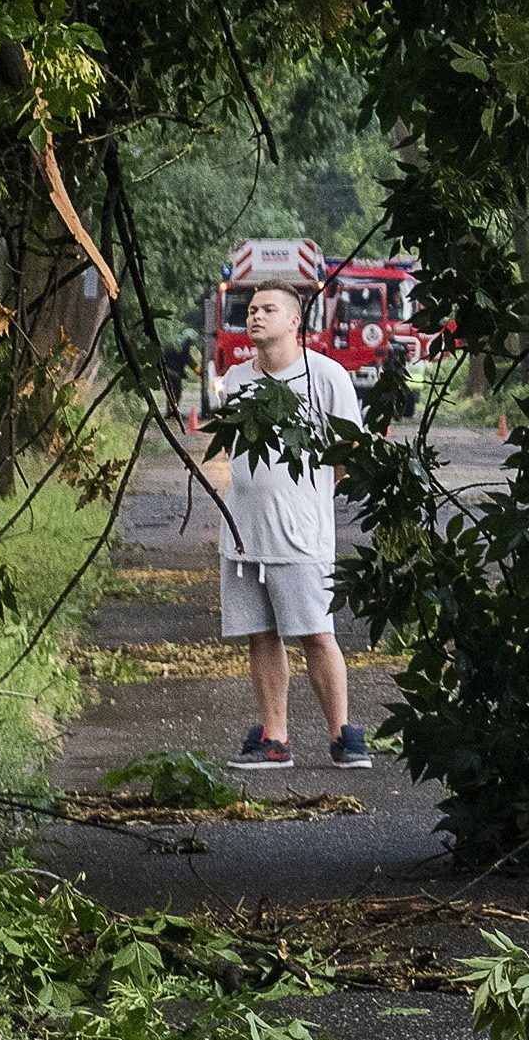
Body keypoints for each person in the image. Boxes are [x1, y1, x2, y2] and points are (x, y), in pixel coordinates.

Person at [186, 280, 371, 769]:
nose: (255, 316)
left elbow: (350, 450)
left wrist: (312, 499)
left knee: (316, 632)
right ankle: (275, 738)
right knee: (261, 634)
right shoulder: (237, 378)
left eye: (269, 309)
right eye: (251, 309)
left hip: (301, 533)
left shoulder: (327, 377)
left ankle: (344, 735)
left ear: (295, 321)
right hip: (243, 532)